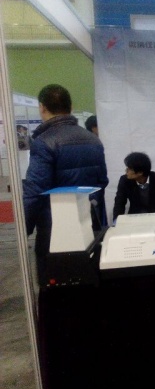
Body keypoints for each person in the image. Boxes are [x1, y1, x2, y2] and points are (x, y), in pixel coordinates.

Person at [23, 84, 108, 280]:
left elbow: (34, 191)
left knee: (54, 283)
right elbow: (101, 182)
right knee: (86, 277)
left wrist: (24, 229)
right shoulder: (93, 139)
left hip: (54, 229)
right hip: (87, 223)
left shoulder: (44, 142)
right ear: (70, 107)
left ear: (42, 107)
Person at [112, 152, 155, 219]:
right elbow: (119, 202)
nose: (126, 171)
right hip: (135, 217)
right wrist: (117, 221)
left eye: (130, 169)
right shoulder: (125, 180)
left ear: (140, 172)